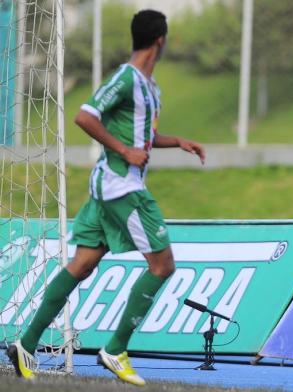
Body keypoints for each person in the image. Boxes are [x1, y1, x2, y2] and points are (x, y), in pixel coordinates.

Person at [7, 9, 205, 385]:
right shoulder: (127, 78)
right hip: (121, 186)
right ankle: (115, 349)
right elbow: (85, 115)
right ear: (160, 40)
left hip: (108, 188)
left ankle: (26, 345)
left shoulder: (150, 85)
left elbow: (140, 137)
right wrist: (124, 152)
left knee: (81, 265)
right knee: (163, 265)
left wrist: (176, 141)